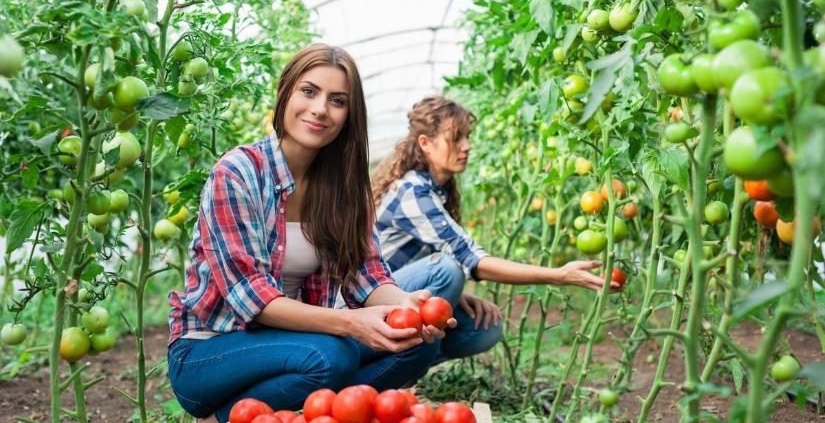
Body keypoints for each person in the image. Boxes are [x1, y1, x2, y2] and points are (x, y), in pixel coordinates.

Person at [166, 45, 456, 423]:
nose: (320, 109)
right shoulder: (238, 173)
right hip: (210, 350)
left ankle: (323, 411)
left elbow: (366, 277)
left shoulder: (346, 189)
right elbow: (251, 300)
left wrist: (407, 308)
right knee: (330, 357)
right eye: (309, 91)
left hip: (290, 344)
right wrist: (352, 323)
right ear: (286, 93)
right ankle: (233, 414)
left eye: (337, 101)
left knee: (414, 347)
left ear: (350, 115)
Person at [370, 96, 621, 361]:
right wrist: (560, 275)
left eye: (467, 137)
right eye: (455, 138)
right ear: (425, 143)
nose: (466, 146)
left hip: (397, 295)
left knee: (485, 328)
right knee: (446, 270)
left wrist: (455, 297)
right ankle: (391, 362)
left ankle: (399, 365)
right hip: (370, 302)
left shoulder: (436, 191)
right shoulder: (414, 192)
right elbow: (471, 260)